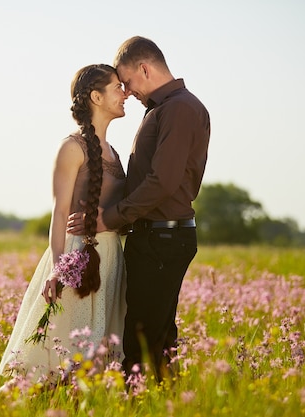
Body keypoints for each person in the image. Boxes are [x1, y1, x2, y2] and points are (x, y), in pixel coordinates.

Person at [68, 36, 210, 381]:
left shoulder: (178, 108)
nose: (127, 92)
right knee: (157, 340)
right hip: (155, 236)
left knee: (141, 341)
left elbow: (162, 181)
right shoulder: (165, 109)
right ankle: (162, 402)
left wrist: (109, 219)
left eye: (127, 82)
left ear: (144, 68)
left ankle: (142, 404)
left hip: (162, 238)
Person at [0, 64, 128, 389]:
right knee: (53, 364)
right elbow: (60, 212)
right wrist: (58, 268)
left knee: (92, 365)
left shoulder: (114, 152)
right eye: (117, 87)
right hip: (77, 259)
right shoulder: (72, 147)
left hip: (110, 260)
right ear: (97, 96)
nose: (125, 93)